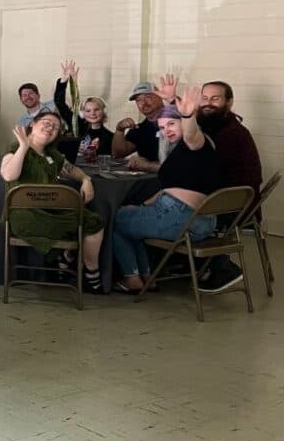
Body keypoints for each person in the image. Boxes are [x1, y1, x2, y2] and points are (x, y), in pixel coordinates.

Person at [112, 79, 219, 294]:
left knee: (113, 220)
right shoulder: (181, 150)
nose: (166, 130)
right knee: (130, 214)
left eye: (171, 124)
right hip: (202, 220)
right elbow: (167, 189)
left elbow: (191, 134)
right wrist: (143, 205)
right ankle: (147, 277)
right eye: (162, 127)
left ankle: (132, 278)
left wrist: (187, 114)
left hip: (181, 217)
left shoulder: (194, 143)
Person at [0, 111, 105, 294]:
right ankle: (88, 273)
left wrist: (86, 180)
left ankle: (68, 262)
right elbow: (9, 175)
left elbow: (72, 170)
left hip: (51, 210)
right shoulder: (15, 149)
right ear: (33, 123)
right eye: (47, 123)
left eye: (56, 127)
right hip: (26, 216)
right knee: (87, 224)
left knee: (92, 220)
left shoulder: (52, 154)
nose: (51, 128)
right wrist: (24, 146)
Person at [196, 81, 262, 292]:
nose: (208, 103)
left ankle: (221, 267)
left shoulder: (230, 134)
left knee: (173, 207)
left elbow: (204, 171)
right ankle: (190, 264)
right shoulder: (216, 126)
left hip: (231, 207)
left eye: (215, 99)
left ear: (229, 102)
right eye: (205, 98)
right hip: (228, 200)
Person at [53, 61, 114, 155]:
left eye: (96, 110)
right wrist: (64, 81)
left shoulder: (110, 137)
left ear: (103, 111)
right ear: (83, 113)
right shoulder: (76, 124)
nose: (92, 114)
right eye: (88, 111)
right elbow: (60, 103)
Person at [112, 81, 165, 168]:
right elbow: (118, 155)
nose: (143, 103)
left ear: (160, 97)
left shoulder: (176, 122)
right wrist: (119, 130)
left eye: (148, 97)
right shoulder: (139, 128)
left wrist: (148, 165)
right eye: (138, 100)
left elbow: (180, 165)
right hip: (149, 180)